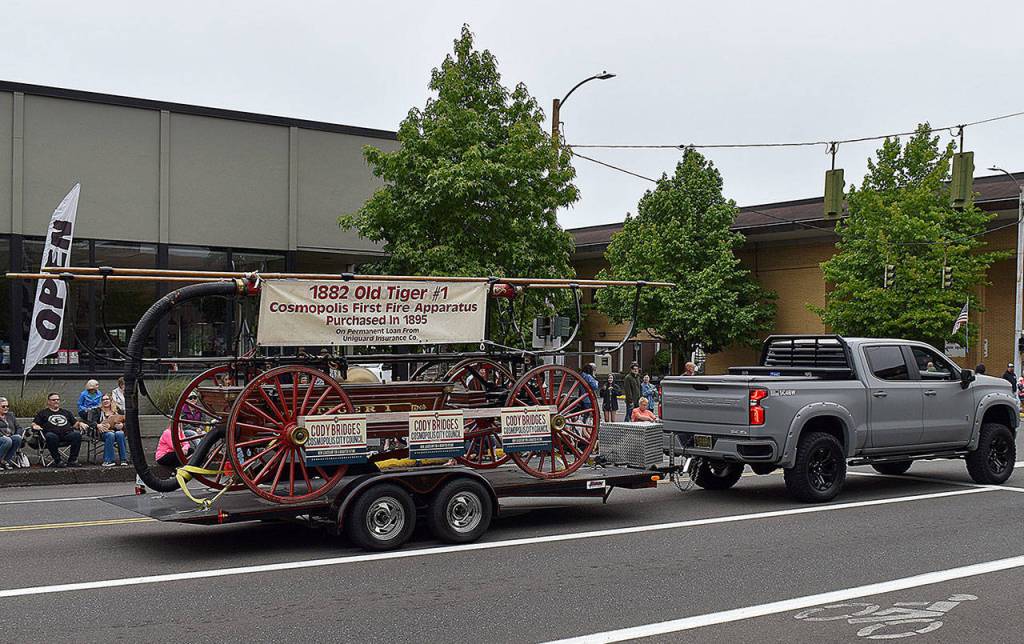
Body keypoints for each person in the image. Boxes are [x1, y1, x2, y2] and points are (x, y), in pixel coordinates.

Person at [32, 393, 88, 467]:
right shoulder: (42, 413)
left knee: (77, 435)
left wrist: (80, 423)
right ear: (48, 401)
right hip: (51, 436)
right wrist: (35, 426)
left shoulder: (66, 412)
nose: (56, 401)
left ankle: (72, 460)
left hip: (66, 435)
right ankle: (58, 461)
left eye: (58, 399)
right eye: (53, 400)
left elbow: (75, 424)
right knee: (50, 436)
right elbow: (34, 424)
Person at [96, 395, 129, 466]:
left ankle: (124, 459)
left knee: (120, 434)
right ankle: (108, 460)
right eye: (103, 400)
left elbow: (128, 422)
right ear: (101, 402)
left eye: (107, 399)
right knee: (110, 435)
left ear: (111, 401)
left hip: (116, 431)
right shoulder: (97, 411)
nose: (105, 401)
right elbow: (91, 421)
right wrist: (97, 425)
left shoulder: (118, 410)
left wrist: (122, 425)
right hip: (103, 432)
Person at [0, 397, 23, 469]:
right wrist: (2, 436)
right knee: (7, 440)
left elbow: (19, 427)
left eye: (7, 406)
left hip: (9, 437)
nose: (6, 408)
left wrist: (18, 434)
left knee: (17, 438)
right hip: (1, 437)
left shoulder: (11, 415)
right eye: (3, 406)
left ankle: (5, 461)